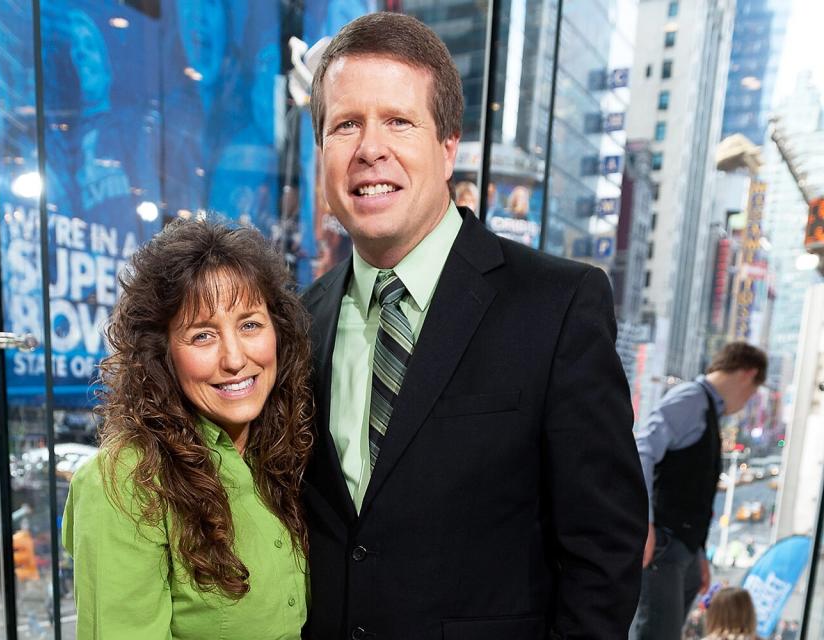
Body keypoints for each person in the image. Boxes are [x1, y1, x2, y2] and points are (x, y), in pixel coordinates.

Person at [301, 12, 647, 639]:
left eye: (399, 121)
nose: (369, 148)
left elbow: (605, 552)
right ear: (321, 148)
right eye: (345, 124)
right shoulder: (299, 320)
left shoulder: (558, 305)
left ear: (448, 145)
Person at [62, 220, 313, 639]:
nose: (235, 358)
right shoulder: (123, 482)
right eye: (203, 335)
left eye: (250, 324)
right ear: (161, 355)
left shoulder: (273, 452)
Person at [630, 342, 767, 640]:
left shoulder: (705, 407)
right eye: (754, 391)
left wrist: (699, 553)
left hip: (681, 546)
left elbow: (693, 489)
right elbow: (643, 449)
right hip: (664, 542)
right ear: (748, 374)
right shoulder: (691, 399)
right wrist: (644, 521)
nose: (748, 401)